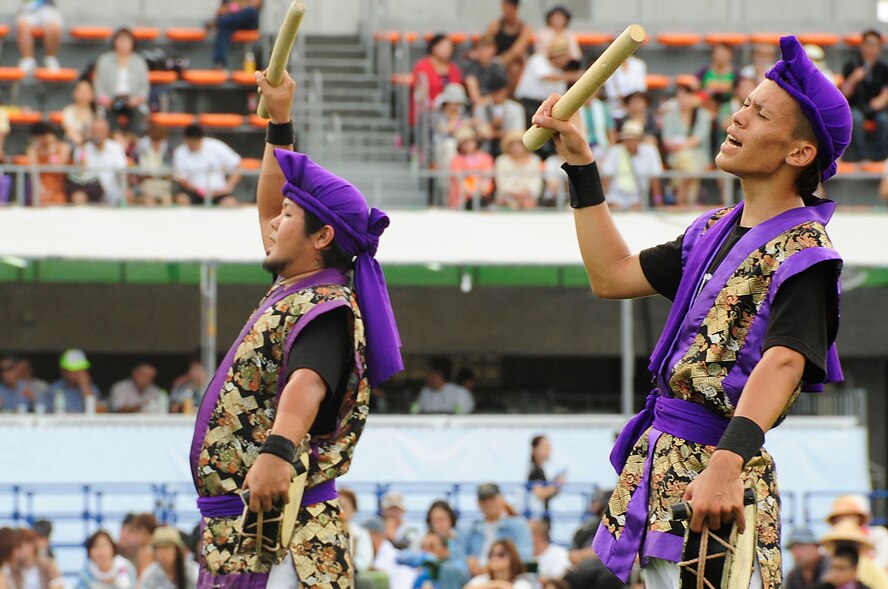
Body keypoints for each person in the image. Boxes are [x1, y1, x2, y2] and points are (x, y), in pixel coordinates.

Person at [530, 34, 850, 588]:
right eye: (745, 104)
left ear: (800, 153)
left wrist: (727, 465)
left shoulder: (808, 254)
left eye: (760, 113)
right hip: (665, 463)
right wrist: (581, 166)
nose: (739, 117)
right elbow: (612, 276)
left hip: (720, 471)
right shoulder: (711, 231)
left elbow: (784, 364)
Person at [190, 68, 402, 589]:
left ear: (321, 235)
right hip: (249, 523)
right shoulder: (300, 287)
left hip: (283, 526)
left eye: (286, 216)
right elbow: (269, 204)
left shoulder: (326, 304)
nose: (271, 223)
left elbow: (309, 381)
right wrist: (278, 119)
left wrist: (277, 451)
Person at [463, 483, 533, 577]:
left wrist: (494, 567)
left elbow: (525, 556)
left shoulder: (518, 525)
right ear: (478, 504)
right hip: (476, 576)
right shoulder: (471, 529)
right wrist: (468, 561)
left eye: (492, 498)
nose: (488, 503)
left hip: (507, 576)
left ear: (501, 500)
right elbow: (457, 555)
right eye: (484, 499)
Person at [661, 79, 713, 206]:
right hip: (675, 154)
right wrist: (676, 146)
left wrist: (682, 146)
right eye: (679, 97)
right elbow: (666, 139)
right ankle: (690, 200)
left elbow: (699, 138)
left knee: (685, 160)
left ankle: (680, 196)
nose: (682, 100)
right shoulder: (670, 115)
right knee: (684, 160)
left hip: (699, 154)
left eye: (686, 96)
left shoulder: (703, 115)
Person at [841, 29, 888, 162]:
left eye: (875, 45)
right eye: (868, 44)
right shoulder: (851, 66)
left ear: (880, 49)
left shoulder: (884, 69)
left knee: (884, 120)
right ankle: (862, 157)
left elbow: (886, 92)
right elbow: (843, 94)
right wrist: (853, 79)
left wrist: (882, 100)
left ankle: (881, 157)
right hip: (856, 107)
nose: (871, 49)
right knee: (855, 118)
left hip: (875, 109)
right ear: (861, 46)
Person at [93, 28, 150, 137]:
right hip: (112, 100)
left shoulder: (139, 61)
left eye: (127, 41)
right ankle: (116, 137)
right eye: (120, 40)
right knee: (108, 115)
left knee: (138, 115)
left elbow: (144, 87)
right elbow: (98, 85)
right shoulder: (104, 60)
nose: (123, 44)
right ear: (114, 42)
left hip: (132, 100)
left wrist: (138, 99)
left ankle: (132, 140)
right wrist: (104, 100)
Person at [514, 38, 579, 130]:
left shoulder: (560, 73)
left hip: (546, 107)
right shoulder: (538, 60)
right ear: (559, 55)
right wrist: (574, 76)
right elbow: (546, 76)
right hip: (528, 103)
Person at [599, 120, 664, 210]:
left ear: (639, 139)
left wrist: (658, 202)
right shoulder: (614, 151)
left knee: (636, 211)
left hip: (638, 195)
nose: (630, 142)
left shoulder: (650, 151)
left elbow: (654, 180)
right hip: (615, 194)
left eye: (633, 139)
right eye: (628, 139)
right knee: (615, 210)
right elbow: (606, 179)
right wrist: (601, 203)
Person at [172, 124, 243, 206]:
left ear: (200, 139)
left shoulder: (216, 146)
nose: (190, 144)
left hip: (218, 191)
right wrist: (200, 191)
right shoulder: (180, 152)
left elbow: (238, 165)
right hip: (194, 191)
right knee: (182, 200)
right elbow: (182, 180)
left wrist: (228, 187)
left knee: (230, 203)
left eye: (193, 141)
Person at [70, 118, 129, 205]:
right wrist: (83, 148)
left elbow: (122, 171)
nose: (98, 134)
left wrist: (126, 190)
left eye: (101, 131)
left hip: (111, 191)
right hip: (90, 190)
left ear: (107, 132)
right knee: (78, 197)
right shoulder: (82, 148)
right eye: (95, 131)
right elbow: (81, 173)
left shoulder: (116, 148)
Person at [410, 34, 463, 128]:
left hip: (451, 112)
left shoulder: (454, 69)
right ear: (434, 47)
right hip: (429, 112)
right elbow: (420, 94)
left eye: (450, 47)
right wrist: (433, 105)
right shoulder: (423, 66)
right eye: (445, 47)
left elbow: (458, 93)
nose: (449, 50)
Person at [821, 520, 888, 589]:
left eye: (841, 568)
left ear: (855, 569)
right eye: (833, 568)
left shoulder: (873, 569)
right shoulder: (824, 584)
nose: (835, 573)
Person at [826, 495, 888, 569]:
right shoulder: (830, 541)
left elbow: (883, 564)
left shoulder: (878, 534)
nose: (845, 520)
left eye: (849, 515)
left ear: (859, 517)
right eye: (839, 517)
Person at [484, 0, 532, 94]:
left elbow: (518, 50)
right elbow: (487, 43)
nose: (505, 11)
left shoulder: (524, 28)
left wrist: (500, 62)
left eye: (508, 7)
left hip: (513, 63)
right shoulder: (495, 25)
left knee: (514, 69)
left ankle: (507, 96)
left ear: (515, 8)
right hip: (494, 60)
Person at [474, 73, 525, 158]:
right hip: (485, 149)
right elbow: (480, 133)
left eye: (498, 92)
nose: (496, 96)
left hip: (509, 150)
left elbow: (517, 132)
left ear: (505, 91)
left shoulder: (516, 108)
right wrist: (493, 125)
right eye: (493, 93)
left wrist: (493, 133)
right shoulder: (482, 108)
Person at [494, 130, 543, 209]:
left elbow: (536, 181)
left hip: (528, 197)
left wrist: (526, 193)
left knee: (529, 205)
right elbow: (501, 182)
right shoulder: (501, 160)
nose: (517, 147)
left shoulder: (535, 160)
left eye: (520, 144)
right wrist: (515, 194)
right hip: (507, 197)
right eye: (514, 144)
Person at [26, 121, 70, 206]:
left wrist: (52, 151)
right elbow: (34, 172)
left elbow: (57, 169)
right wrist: (40, 190)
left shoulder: (63, 148)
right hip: (40, 190)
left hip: (58, 190)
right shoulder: (33, 150)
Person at [15, 0, 63, 75]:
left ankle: (51, 59)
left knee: (54, 28)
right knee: (22, 26)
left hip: (49, 9)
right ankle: (28, 60)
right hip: (28, 9)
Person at [210, 0, 262, 69]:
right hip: (234, 22)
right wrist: (237, 7)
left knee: (250, 11)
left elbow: (254, 6)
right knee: (225, 27)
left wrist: (233, 8)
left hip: (248, 21)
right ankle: (220, 63)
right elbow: (220, 11)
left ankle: (218, 23)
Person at [465, 539, 534, 589]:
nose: (494, 558)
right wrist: (498, 584)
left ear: (512, 557)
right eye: (491, 554)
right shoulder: (484, 579)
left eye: (501, 554)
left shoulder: (522, 582)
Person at [463, 35, 508, 108]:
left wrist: (493, 99)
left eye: (487, 49)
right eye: (481, 49)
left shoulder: (498, 68)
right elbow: (475, 98)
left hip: (496, 103)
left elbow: (502, 94)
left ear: (494, 50)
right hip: (477, 106)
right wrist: (489, 100)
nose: (483, 53)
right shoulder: (470, 68)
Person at [134, 125, 174, 206]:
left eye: (159, 140)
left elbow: (169, 173)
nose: (156, 142)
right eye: (154, 139)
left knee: (167, 200)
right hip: (147, 185)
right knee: (149, 202)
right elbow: (142, 172)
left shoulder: (168, 152)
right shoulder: (143, 150)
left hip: (163, 185)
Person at [527, 435, 565, 518]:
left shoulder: (540, 469)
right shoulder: (535, 470)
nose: (548, 450)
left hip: (542, 517)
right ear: (534, 449)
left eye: (549, 447)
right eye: (544, 446)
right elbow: (540, 493)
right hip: (537, 519)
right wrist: (556, 484)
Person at [339, 488, 374, 574]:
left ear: (354, 510)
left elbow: (364, 563)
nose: (340, 511)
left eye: (344, 507)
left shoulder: (360, 534)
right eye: (338, 506)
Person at [603, 55, 647, 123]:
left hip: (634, 110)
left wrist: (632, 102)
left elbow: (641, 89)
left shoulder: (638, 64)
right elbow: (611, 92)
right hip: (615, 110)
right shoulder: (609, 64)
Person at [62, 80, 98, 148]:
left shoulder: (98, 111)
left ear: (92, 94)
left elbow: (99, 132)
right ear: (74, 93)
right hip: (73, 145)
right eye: (80, 91)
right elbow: (70, 131)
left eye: (86, 92)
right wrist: (82, 143)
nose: (83, 94)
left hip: (94, 144)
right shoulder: (68, 110)